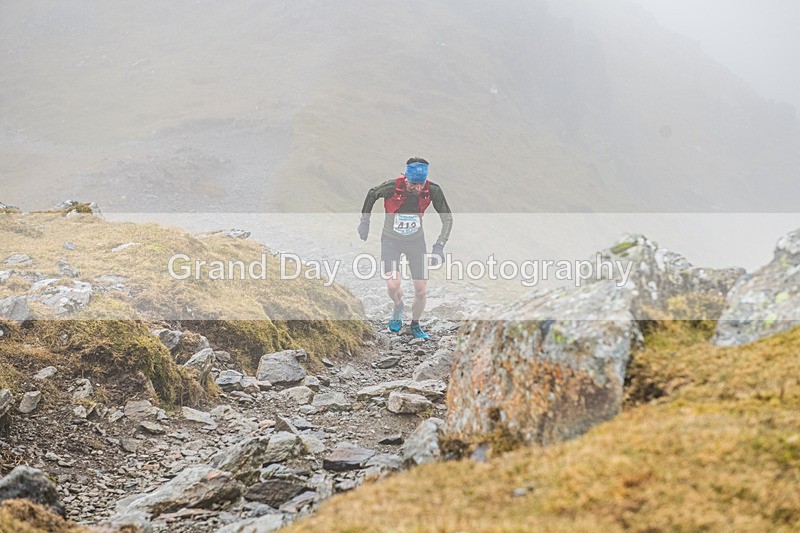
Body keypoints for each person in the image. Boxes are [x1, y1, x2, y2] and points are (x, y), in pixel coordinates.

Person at [358, 157, 453, 339]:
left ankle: (415, 325)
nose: (418, 188)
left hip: (416, 243)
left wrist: (439, 245)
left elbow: (447, 219)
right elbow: (371, 194)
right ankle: (398, 305)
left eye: (421, 184)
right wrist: (365, 222)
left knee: (421, 290)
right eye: (414, 184)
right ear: (406, 178)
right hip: (391, 241)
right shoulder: (392, 187)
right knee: (393, 285)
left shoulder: (433, 190)